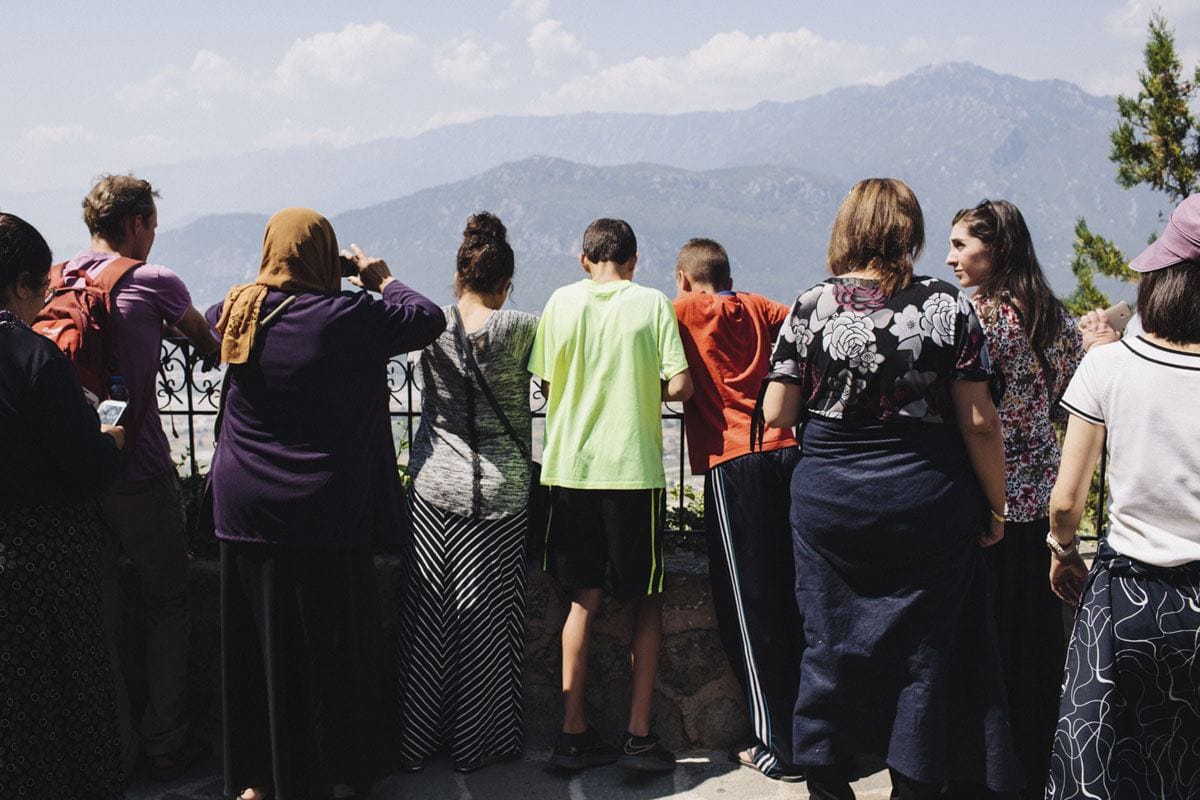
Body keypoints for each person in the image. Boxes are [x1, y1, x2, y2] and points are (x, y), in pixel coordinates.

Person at [761, 178, 1021, 799]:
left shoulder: (811, 304)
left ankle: (826, 778)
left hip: (831, 507)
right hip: (924, 504)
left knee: (828, 641)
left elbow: (776, 411)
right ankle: (913, 786)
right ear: (911, 231)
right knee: (924, 655)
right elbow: (980, 422)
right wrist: (996, 505)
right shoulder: (945, 306)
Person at [204, 207, 445, 800]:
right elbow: (427, 318)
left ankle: (256, 781)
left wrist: (266, 279)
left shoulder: (239, 309)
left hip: (245, 510)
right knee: (332, 651)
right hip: (325, 512)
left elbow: (210, 322)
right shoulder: (348, 316)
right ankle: (338, 777)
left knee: (255, 650)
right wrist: (379, 276)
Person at [62, 174, 220, 780]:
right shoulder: (150, 280)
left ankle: (112, 743)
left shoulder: (55, 279)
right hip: (138, 468)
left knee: (100, 610)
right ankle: (165, 741)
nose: (153, 237)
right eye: (151, 225)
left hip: (76, 474)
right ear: (134, 225)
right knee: (167, 600)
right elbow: (208, 341)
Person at [1045, 194, 1200, 799]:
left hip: (1131, 599)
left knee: (1113, 765)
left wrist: (1063, 551)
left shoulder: (1110, 365)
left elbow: (1066, 500)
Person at [530, 218, 692, 773]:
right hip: (632, 472)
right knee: (646, 600)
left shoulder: (558, 303)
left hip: (569, 472)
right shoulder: (651, 305)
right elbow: (680, 385)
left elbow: (546, 382)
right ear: (634, 259)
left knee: (582, 599)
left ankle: (572, 732)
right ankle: (639, 735)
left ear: (583, 260)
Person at [945, 199, 1083, 799]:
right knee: (1036, 643)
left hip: (991, 498)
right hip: (1044, 495)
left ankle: (985, 772)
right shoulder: (1052, 314)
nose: (950, 257)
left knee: (986, 642)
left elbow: (967, 415)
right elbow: (1074, 399)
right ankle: (1037, 766)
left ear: (994, 249)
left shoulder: (972, 318)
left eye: (961, 246)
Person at [398, 212, 538, 773]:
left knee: (430, 616)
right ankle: (477, 743)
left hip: (435, 489)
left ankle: (415, 741)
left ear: (458, 277)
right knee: (491, 621)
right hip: (503, 492)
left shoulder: (429, 327)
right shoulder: (524, 327)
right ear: (507, 283)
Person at [0, 212, 126, 798]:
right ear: (22, 286)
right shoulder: (32, 359)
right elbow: (83, 468)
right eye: (41, 290)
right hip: (42, 559)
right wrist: (108, 443)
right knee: (58, 695)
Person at [671, 238, 802, 781]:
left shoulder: (682, 310)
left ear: (683, 277)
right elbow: (801, 322)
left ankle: (778, 747)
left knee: (747, 611)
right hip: (786, 452)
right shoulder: (758, 306)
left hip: (733, 462)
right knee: (790, 596)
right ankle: (811, 732)